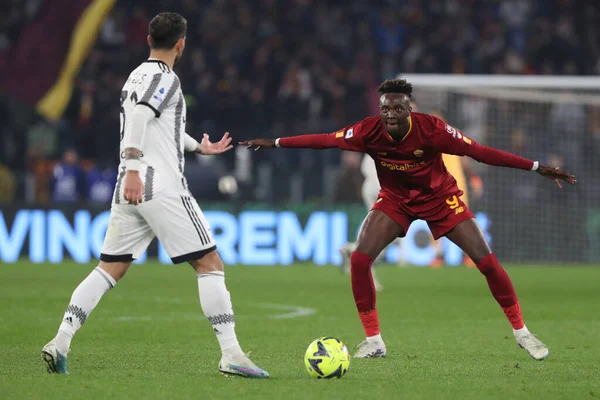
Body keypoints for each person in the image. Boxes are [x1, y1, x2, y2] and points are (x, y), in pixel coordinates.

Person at [241, 79, 576, 360]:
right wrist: (275, 143)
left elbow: (480, 151)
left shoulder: (433, 129)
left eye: (397, 108)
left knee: (486, 262)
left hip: (440, 199)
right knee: (359, 260)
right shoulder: (368, 131)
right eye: (385, 108)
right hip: (396, 201)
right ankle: (374, 340)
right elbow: (325, 140)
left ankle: (522, 333)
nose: (390, 114)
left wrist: (535, 167)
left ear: (409, 109)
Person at [41, 12, 269, 379]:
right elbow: (140, 120)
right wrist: (133, 168)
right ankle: (232, 354)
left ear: (149, 40)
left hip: (130, 184)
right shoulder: (166, 78)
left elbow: (159, 126)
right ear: (181, 43)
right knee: (209, 263)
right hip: (155, 182)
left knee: (110, 267)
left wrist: (199, 147)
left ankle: (61, 341)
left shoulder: (135, 76)